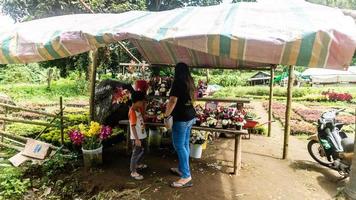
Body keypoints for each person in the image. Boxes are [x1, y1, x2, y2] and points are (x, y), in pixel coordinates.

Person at [164, 62, 196, 188]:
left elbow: (172, 101)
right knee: (184, 144)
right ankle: (183, 169)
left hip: (181, 118)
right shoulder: (190, 82)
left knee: (179, 145)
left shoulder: (177, 82)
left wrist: (166, 115)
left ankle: (186, 176)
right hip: (190, 116)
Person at [129, 91, 148, 180]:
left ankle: (138, 164)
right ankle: (133, 171)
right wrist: (136, 139)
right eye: (141, 102)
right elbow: (132, 127)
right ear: (135, 101)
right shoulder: (132, 111)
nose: (142, 103)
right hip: (137, 137)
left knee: (145, 150)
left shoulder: (138, 109)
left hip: (142, 135)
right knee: (136, 153)